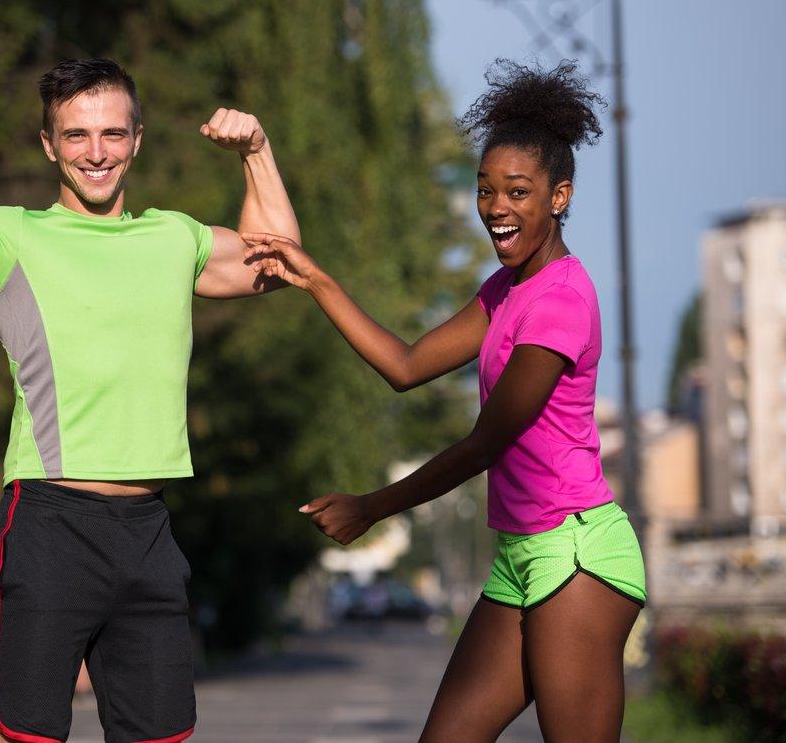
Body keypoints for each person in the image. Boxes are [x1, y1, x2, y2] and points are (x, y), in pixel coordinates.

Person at [0, 58, 298, 743]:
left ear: (137, 140)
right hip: (49, 526)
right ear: (48, 144)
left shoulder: (174, 237)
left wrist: (256, 153)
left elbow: (280, 263)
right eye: (77, 135)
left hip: (149, 532)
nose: (96, 152)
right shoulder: (9, 237)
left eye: (113, 134)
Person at [243, 60, 646, 742]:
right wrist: (318, 282)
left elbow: (487, 443)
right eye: (486, 190)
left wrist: (374, 507)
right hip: (522, 556)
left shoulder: (561, 302)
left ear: (560, 196)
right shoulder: (505, 290)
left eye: (517, 191)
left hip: (578, 557)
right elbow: (404, 365)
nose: (496, 207)